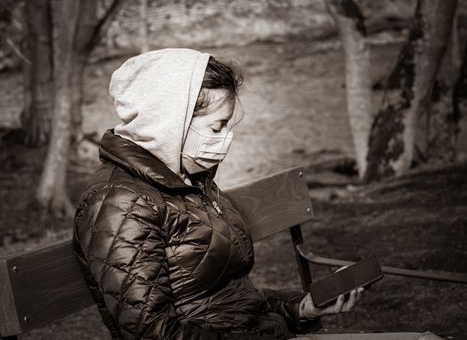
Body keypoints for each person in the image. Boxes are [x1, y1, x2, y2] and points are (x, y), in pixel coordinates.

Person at [71, 48, 437, 340]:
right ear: (169, 122)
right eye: (217, 126)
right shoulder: (118, 202)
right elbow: (154, 332)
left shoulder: (190, 180)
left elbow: (230, 297)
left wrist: (303, 309)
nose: (225, 139)